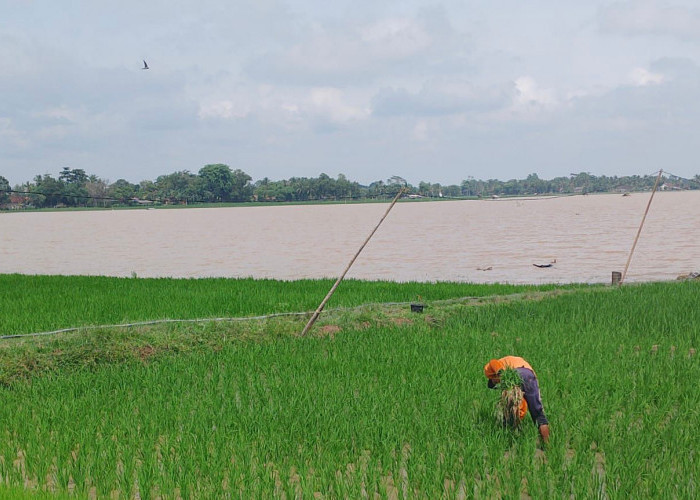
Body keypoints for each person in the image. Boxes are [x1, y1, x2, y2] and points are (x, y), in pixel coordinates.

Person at [484, 356, 550, 444]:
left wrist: (501, 373)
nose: (498, 382)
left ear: (493, 376)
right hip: (529, 375)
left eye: (496, 381)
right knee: (538, 415)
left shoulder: (492, 369)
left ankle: (510, 440)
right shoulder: (511, 362)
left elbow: (493, 362)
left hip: (516, 373)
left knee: (509, 413)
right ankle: (547, 445)